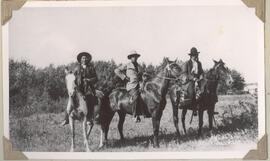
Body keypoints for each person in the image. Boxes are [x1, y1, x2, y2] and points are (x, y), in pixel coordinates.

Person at [61, 52, 98, 126]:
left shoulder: (91, 68)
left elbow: (96, 78)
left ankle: (89, 118)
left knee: (90, 99)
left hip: (88, 88)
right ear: (80, 60)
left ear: (87, 59)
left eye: (85, 58)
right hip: (79, 88)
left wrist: (89, 80)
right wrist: (69, 73)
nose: (84, 59)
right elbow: (73, 76)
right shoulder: (77, 68)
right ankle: (66, 118)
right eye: (82, 58)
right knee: (71, 99)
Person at [114, 50, 143, 123]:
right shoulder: (127, 65)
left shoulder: (139, 66)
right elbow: (116, 70)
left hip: (139, 85)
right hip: (131, 85)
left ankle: (143, 112)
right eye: (133, 56)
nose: (134, 58)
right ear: (130, 58)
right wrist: (124, 77)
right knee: (135, 96)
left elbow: (141, 76)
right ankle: (134, 115)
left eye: (135, 56)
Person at [182, 47, 204, 116]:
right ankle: (194, 107)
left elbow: (201, 72)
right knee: (192, 91)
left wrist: (201, 76)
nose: (195, 56)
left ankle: (203, 104)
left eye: (196, 55)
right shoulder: (187, 63)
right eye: (194, 55)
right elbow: (185, 73)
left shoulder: (199, 63)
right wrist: (193, 78)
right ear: (191, 56)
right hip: (190, 81)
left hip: (198, 80)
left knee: (205, 89)